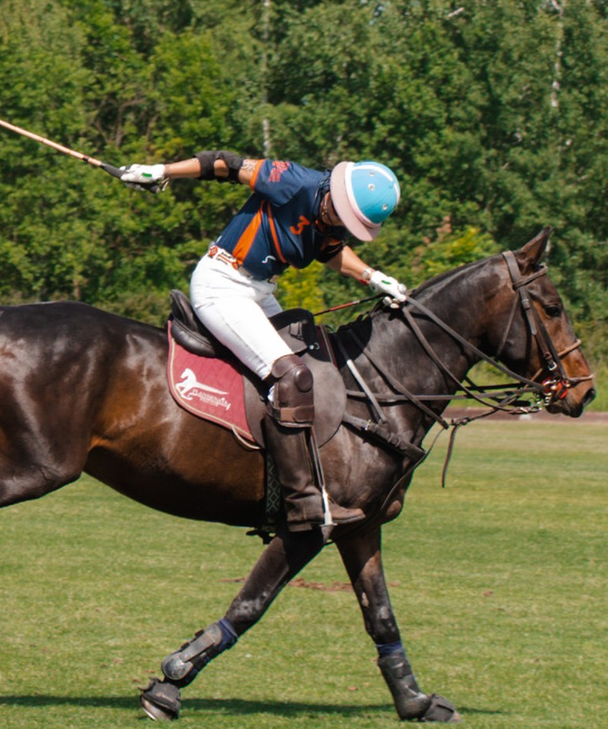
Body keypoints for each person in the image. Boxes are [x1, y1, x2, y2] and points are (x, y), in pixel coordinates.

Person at [118, 151, 407, 532]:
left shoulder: (333, 219)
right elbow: (225, 163)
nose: (342, 224)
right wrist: (163, 170)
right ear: (335, 193)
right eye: (343, 215)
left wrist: (373, 277)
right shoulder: (294, 181)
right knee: (291, 378)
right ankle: (301, 499)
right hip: (222, 285)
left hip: (258, 292)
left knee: (315, 375)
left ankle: (284, 479)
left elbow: (331, 252)